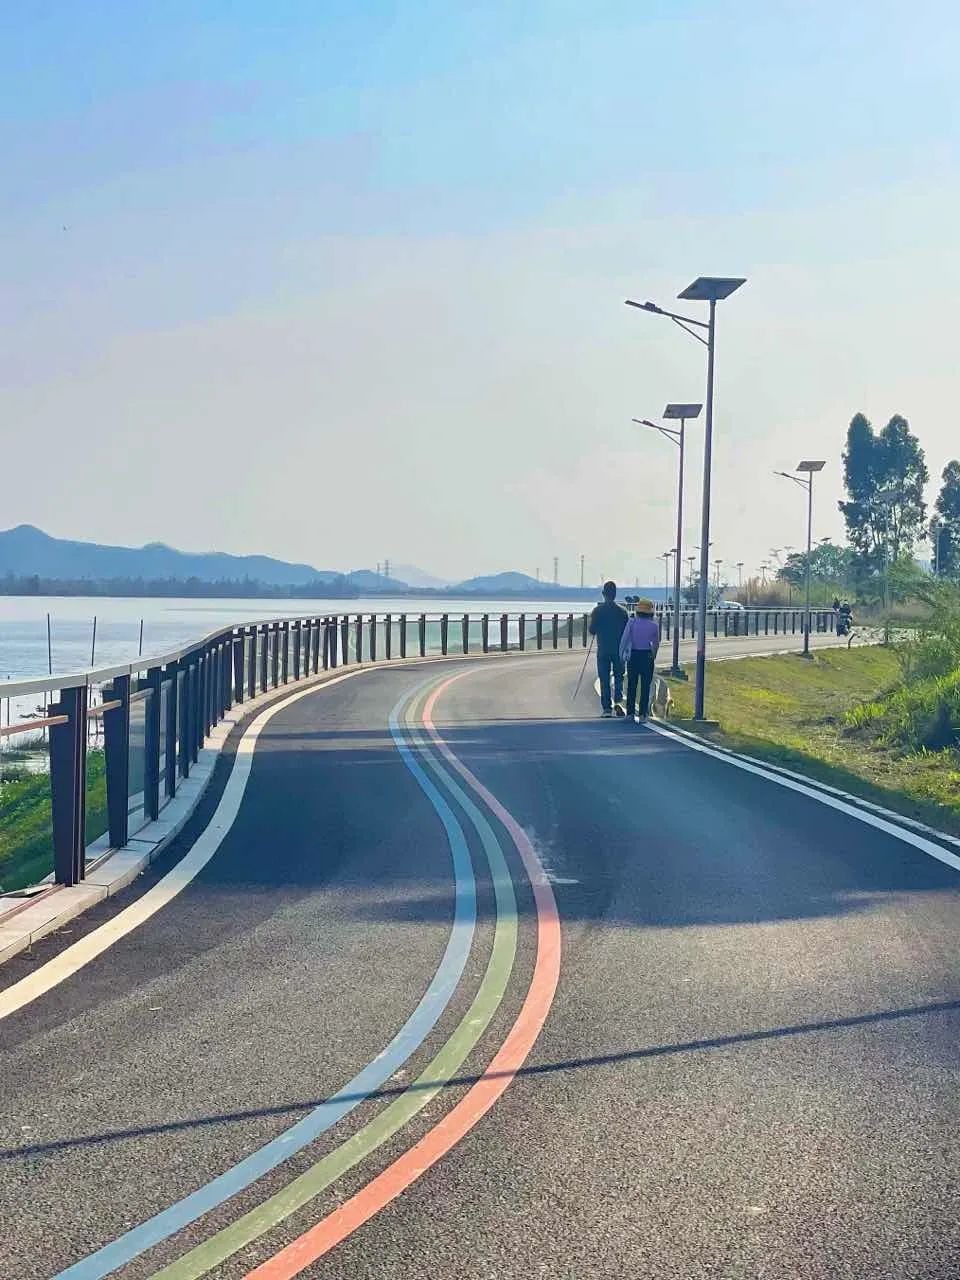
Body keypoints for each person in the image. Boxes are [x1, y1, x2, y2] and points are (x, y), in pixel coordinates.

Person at [588, 581, 627, 717]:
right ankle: (618, 702)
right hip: (619, 650)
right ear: (615, 594)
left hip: (603, 649)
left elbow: (592, 630)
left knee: (604, 678)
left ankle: (607, 709)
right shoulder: (623, 612)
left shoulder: (597, 611)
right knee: (619, 676)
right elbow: (627, 632)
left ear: (603, 594)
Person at [619, 597, 660, 722]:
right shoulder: (654, 626)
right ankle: (643, 714)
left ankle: (630, 713)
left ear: (638, 611)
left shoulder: (632, 622)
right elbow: (656, 644)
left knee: (632, 685)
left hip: (634, 655)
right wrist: (653, 655)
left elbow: (624, 639)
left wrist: (621, 655)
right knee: (645, 686)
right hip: (647, 656)